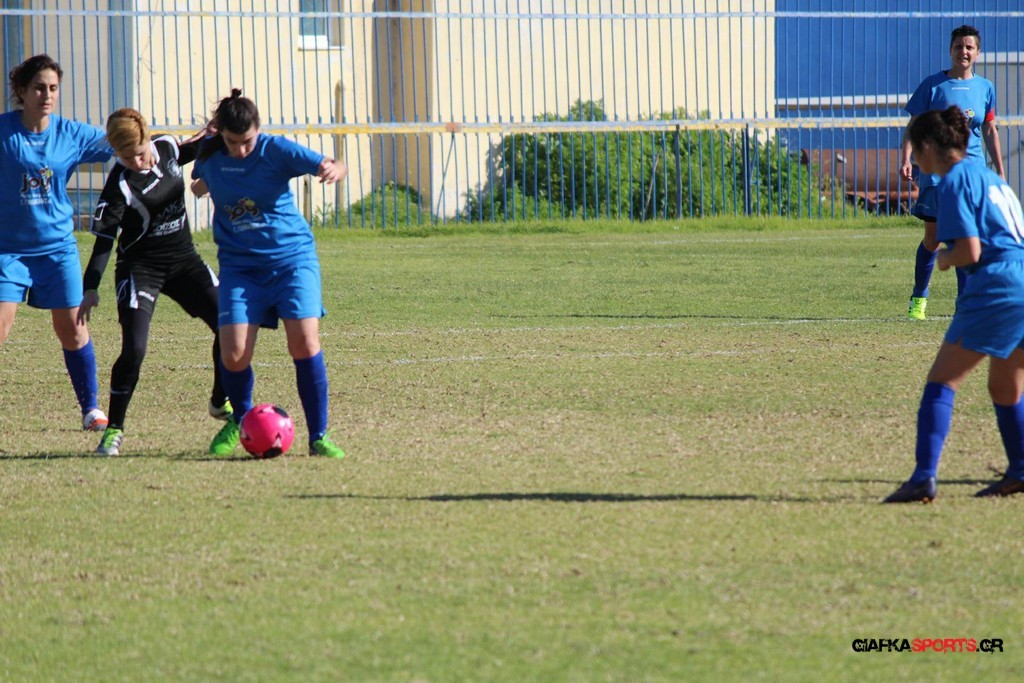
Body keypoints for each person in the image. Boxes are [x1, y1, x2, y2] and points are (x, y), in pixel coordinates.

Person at [191, 89, 346, 458]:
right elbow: (197, 183)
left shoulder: (275, 150)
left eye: (247, 141)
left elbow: (332, 163)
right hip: (240, 268)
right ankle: (242, 420)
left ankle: (319, 436)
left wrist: (334, 169)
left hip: (292, 261)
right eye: (233, 142)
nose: (241, 149)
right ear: (221, 134)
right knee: (233, 354)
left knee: (304, 343)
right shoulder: (210, 154)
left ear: (258, 129)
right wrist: (202, 182)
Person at [884, 106, 1024, 503]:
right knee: (1005, 386)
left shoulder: (953, 182)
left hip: (999, 286)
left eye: (915, 150)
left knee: (942, 381)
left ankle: (922, 479)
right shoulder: (990, 178)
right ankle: (1020, 471)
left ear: (929, 146)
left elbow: (970, 251)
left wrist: (945, 258)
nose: (914, 160)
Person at [77, 108, 233, 456]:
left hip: (184, 261)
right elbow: (104, 242)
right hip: (140, 269)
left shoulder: (165, 147)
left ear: (148, 138)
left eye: (139, 152)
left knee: (231, 324)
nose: (136, 162)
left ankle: (219, 400)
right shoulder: (119, 185)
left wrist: (217, 127)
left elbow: (196, 148)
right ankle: (114, 430)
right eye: (125, 157)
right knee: (134, 349)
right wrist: (90, 288)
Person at [0, 54, 113, 432]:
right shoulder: (4, 132)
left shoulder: (70, 134)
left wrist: (183, 143)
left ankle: (91, 409)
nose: (46, 95)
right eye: (38, 88)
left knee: (73, 329)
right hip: (8, 251)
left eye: (52, 88)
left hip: (57, 249)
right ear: (21, 91)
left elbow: (120, 142)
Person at [900, 25, 1004, 321]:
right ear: (951, 50)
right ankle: (919, 297)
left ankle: (964, 306)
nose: (964, 51)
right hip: (937, 174)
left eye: (969, 47)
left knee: (965, 237)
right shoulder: (933, 85)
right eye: (959, 46)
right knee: (933, 238)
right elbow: (914, 126)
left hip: (971, 175)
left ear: (978, 53)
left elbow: (989, 129)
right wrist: (906, 158)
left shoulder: (985, 88)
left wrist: (999, 169)